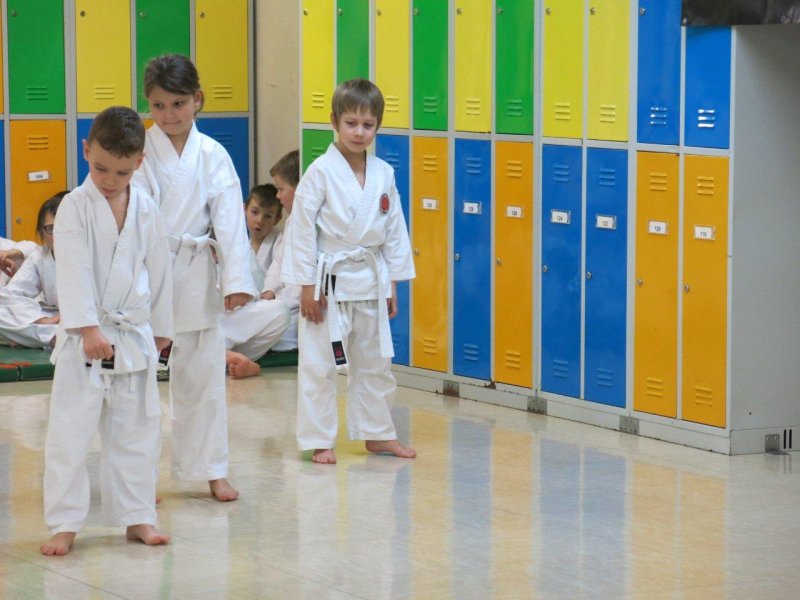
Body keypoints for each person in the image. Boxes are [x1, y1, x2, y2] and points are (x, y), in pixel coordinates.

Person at [40, 106, 173, 556]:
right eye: (100, 168)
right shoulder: (74, 207)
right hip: (85, 341)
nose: (109, 180)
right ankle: (64, 523)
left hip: (132, 336)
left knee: (138, 432)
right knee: (70, 435)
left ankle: (138, 517)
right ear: (86, 150)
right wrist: (88, 328)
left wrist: (162, 328)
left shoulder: (146, 208)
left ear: (139, 163)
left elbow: (159, 268)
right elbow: (72, 269)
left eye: (121, 171)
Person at [133, 54, 255, 501]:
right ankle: (140, 475)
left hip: (199, 271)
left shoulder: (213, 154)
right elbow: (135, 215)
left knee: (203, 379)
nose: (169, 116)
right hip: (151, 271)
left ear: (197, 99)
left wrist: (237, 280)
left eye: (178, 104)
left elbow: (230, 221)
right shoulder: (141, 152)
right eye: (158, 106)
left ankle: (212, 470)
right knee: (139, 381)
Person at [281, 79, 417, 465]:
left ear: (378, 126)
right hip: (329, 283)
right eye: (351, 123)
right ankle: (319, 439)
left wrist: (392, 283)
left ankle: (378, 433)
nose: (359, 132)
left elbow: (394, 230)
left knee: (376, 364)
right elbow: (301, 229)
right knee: (318, 365)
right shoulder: (319, 172)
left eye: (368, 125)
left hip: (370, 279)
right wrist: (306, 286)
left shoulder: (384, 173)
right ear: (334, 122)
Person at [223, 183, 290, 379]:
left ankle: (227, 356)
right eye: (254, 212)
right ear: (244, 209)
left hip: (260, 308)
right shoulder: (237, 243)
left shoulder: (280, 242)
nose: (259, 220)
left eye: (268, 216)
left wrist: (268, 293)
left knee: (281, 313)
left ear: (277, 218)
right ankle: (227, 356)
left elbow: (279, 277)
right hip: (235, 312)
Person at [0, 192, 68, 349]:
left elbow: (27, 246)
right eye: (51, 228)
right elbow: (11, 295)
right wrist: (41, 320)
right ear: (41, 231)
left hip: (88, 320)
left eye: (66, 226)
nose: (59, 234)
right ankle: (53, 338)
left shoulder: (97, 256)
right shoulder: (40, 257)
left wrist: (12, 253)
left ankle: (27, 337)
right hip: (51, 321)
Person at [261, 149, 301, 353]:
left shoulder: (316, 226)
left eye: (281, 189)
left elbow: (301, 286)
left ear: (300, 188)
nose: (277, 195)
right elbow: (278, 262)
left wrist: (276, 302)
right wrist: (268, 290)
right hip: (279, 303)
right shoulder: (292, 221)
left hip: (294, 310)